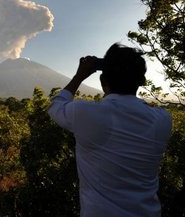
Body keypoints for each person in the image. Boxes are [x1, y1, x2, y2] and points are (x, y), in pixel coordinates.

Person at [48, 43, 172, 217]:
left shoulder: (87, 114)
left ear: (102, 81)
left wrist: (79, 76)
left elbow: (56, 106)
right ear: (142, 81)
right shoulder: (163, 120)